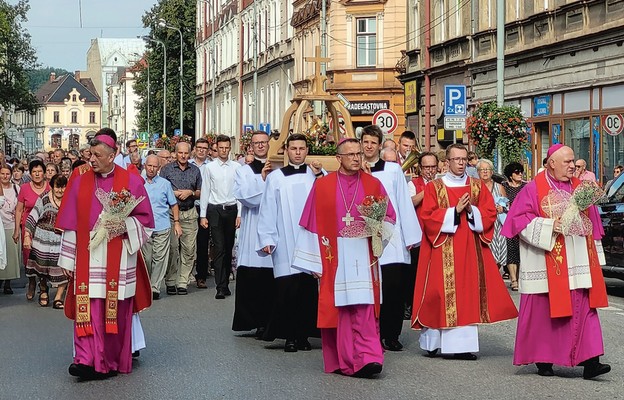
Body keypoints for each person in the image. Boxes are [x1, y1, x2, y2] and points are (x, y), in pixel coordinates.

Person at [501, 144, 610, 380]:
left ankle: (591, 362)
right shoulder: (533, 189)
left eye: (573, 162)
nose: (572, 166)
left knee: (584, 310)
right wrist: (550, 226)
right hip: (546, 259)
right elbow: (518, 221)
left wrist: (596, 260)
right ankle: (544, 360)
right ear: (551, 163)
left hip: (578, 261)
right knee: (544, 314)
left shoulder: (581, 188)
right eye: (567, 162)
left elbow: (593, 228)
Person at [292, 138, 396, 378]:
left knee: (365, 307)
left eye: (359, 153)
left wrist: (377, 231)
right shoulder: (323, 186)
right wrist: (313, 262)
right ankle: (345, 360)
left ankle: (369, 358)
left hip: (364, 253)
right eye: (350, 154)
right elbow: (310, 224)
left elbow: (389, 218)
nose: (356, 158)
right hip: (333, 256)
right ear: (339, 158)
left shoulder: (373, 184)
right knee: (339, 310)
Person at [57, 131, 154, 379]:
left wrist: (125, 226)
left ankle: (108, 361)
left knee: (113, 311)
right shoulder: (79, 181)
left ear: (113, 156)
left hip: (118, 257)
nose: (92, 160)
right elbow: (70, 222)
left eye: (98, 155)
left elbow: (146, 223)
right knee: (87, 308)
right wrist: (68, 259)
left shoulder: (131, 182)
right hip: (87, 257)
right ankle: (86, 359)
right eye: (91, 155)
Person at [411, 144, 517, 360]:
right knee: (439, 293)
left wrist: (471, 211)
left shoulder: (477, 186)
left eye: (463, 159)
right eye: (455, 159)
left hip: (470, 249)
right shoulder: (435, 187)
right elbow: (428, 217)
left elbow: (489, 214)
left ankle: (461, 346)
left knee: (467, 293)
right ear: (447, 162)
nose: (460, 162)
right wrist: (454, 211)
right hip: (443, 248)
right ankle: (433, 341)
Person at [257, 134, 323, 351]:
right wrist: (267, 238)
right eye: (293, 148)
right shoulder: (276, 178)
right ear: (286, 151)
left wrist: (320, 173)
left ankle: (304, 336)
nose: (297, 152)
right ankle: (290, 337)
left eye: (301, 148)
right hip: (284, 239)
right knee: (287, 289)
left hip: (309, 240)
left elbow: (326, 198)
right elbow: (267, 208)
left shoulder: (316, 175)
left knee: (307, 290)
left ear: (306, 151)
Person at [361, 125, 422, 352]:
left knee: (394, 288)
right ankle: (371, 333)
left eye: (372, 143)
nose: (368, 147)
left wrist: (411, 236)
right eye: (365, 142)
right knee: (370, 290)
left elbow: (404, 204)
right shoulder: (355, 170)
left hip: (394, 238)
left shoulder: (393, 170)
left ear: (379, 145)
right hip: (365, 237)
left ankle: (392, 334)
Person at [232, 131, 274, 334]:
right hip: (253, 227)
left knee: (273, 279)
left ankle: (272, 321)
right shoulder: (244, 171)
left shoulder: (280, 167)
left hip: (276, 227)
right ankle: (256, 321)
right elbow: (246, 197)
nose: (260, 146)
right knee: (255, 278)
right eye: (256, 143)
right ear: (251, 146)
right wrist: (265, 182)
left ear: (269, 144)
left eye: (264, 142)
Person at [200, 135, 240, 299]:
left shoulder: (237, 167)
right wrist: (203, 215)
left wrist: (240, 213)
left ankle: (225, 277)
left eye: (226, 148)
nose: (223, 151)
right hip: (215, 209)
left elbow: (240, 191)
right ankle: (220, 286)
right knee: (219, 247)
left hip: (231, 209)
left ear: (230, 148)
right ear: (216, 148)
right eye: (221, 148)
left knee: (228, 246)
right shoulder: (210, 168)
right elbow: (205, 191)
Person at [160, 141, 202, 296]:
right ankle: (170, 280)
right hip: (171, 214)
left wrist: (191, 192)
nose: (183, 156)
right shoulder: (166, 170)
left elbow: (200, 191)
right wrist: (174, 193)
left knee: (189, 250)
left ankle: (182, 281)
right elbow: (161, 189)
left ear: (190, 154)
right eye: (180, 153)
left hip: (190, 212)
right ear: (175, 153)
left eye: (186, 153)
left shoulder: (195, 170)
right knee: (172, 249)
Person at [23, 174, 68, 309]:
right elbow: (32, 217)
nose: (60, 190)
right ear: (52, 187)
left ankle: (59, 297)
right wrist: (27, 235)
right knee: (42, 269)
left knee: (65, 268)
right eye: (58, 187)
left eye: (63, 187)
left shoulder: (70, 200)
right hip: (42, 240)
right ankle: (43, 290)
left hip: (62, 241)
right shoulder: (43, 199)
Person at [142, 155, 182, 300]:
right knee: (147, 258)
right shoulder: (139, 183)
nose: (151, 169)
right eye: (149, 166)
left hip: (162, 226)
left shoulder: (165, 184)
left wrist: (176, 223)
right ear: (145, 165)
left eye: (154, 166)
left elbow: (173, 204)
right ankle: (146, 283)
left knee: (159, 258)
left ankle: (154, 287)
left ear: (159, 168)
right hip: (145, 227)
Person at [406, 151, 439, 320]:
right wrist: (428, 190)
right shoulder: (413, 183)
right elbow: (409, 203)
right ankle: (413, 305)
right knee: (416, 274)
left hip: (439, 235)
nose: (430, 170)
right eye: (426, 167)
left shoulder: (443, 182)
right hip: (419, 236)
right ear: (420, 167)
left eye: (433, 167)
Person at [13, 159, 49, 302]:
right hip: (29, 227)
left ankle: (43, 284)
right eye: (34, 172)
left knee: (43, 256)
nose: (37, 174)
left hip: (46, 227)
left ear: (44, 173)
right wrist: (17, 229)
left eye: (40, 171)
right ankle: (32, 282)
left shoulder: (49, 187)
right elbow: (19, 210)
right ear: (30, 173)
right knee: (29, 256)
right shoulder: (25, 188)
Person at [476, 159, 508, 269]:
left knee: (497, 255)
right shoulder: (475, 187)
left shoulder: (499, 187)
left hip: (497, 226)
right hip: (481, 225)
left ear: (492, 172)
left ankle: (495, 275)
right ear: (478, 172)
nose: (485, 172)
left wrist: (502, 208)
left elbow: (506, 205)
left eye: (487, 169)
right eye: (482, 169)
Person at [189, 138, 211, 288]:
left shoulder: (211, 166)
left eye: (205, 148)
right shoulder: (188, 165)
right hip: (190, 206)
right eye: (199, 147)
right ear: (195, 149)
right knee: (188, 244)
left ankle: (201, 275)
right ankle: (187, 273)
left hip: (206, 208)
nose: (202, 150)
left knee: (203, 243)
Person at [501, 162, 527, 291]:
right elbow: (500, 201)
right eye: (517, 172)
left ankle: (519, 276)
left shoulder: (526, 186)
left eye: (521, 172)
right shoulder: (504, 187)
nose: (520, 174)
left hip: (523, 221)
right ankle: (513, 279)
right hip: (509, 221)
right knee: (511, 249)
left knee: (521, 250)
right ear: (511, 175)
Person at [0, 165, 20, 294]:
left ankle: (8, 283)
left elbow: (19, 208)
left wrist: (17, 228)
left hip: (12, 225)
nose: (5, 176)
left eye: (7, 174)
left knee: (12, 256)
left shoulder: (16, 188)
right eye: (2, 174)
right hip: (1, 225)